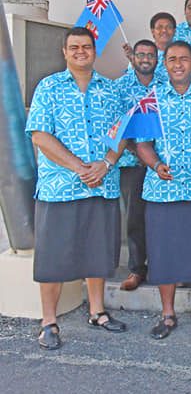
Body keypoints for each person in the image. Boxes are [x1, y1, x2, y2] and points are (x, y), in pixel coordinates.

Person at [28, 27, 128, 350]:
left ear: (94, 51)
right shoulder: (49, 87)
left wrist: (106, 163)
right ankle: (49, 322)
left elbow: (121, 134)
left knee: (97, 252)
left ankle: (97, 311)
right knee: (52, 258)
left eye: (86, 46)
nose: (81, 52)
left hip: (101, 185)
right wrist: (78, 167)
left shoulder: (111, 90)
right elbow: (40, 135)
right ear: (65, 52)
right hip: (60, 189)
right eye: (74, 47)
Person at [135, 41, 191, 340]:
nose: (178, 64)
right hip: (163, 190)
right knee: (164, 254)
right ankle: (168, 314)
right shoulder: (151, 98)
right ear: (165, 63)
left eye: (184, 59)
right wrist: (156, 164)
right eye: (172, 59)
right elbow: (143, 144)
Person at [115, 39, 160, 292]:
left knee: (159, 216)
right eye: (141, 54)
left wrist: (152, 154)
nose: (145, 59)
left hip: (159, 162)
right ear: (133, 58)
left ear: (157, 59)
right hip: (131, 162)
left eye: (150, 55)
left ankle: (161, 266)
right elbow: (115, 123)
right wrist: (136, 148)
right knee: (134, 217)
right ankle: (136, 269)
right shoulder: (120, 86)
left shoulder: (164, 86)